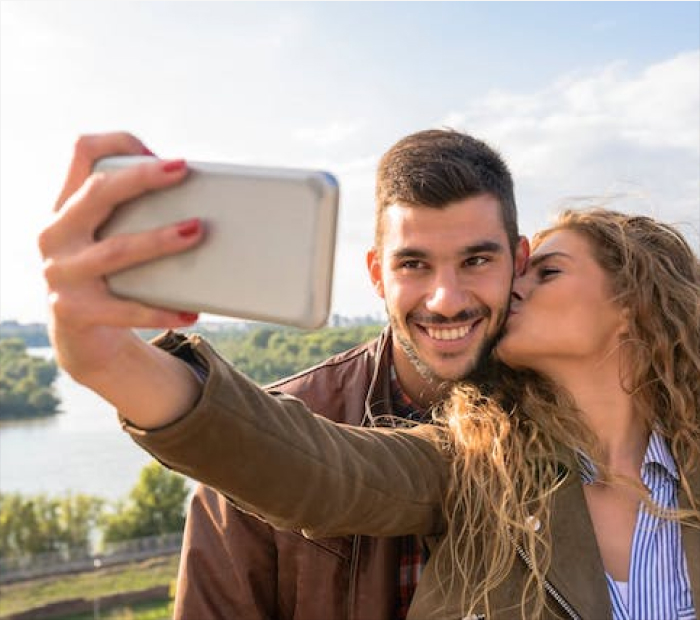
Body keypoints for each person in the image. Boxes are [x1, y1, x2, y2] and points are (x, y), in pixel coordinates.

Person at [114, 208, 700, 619]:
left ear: (631, 306)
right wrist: (111, 356)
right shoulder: (473, 459)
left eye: (547, 272)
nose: (512, 289)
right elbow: (316, 470)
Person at [39, 129, 528, 619]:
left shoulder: (569, 421)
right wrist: (113, 361)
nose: (445, 299)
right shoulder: (253, 449)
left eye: (477, 260)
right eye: (414, 264)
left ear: (519, 263)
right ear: (377, 274)